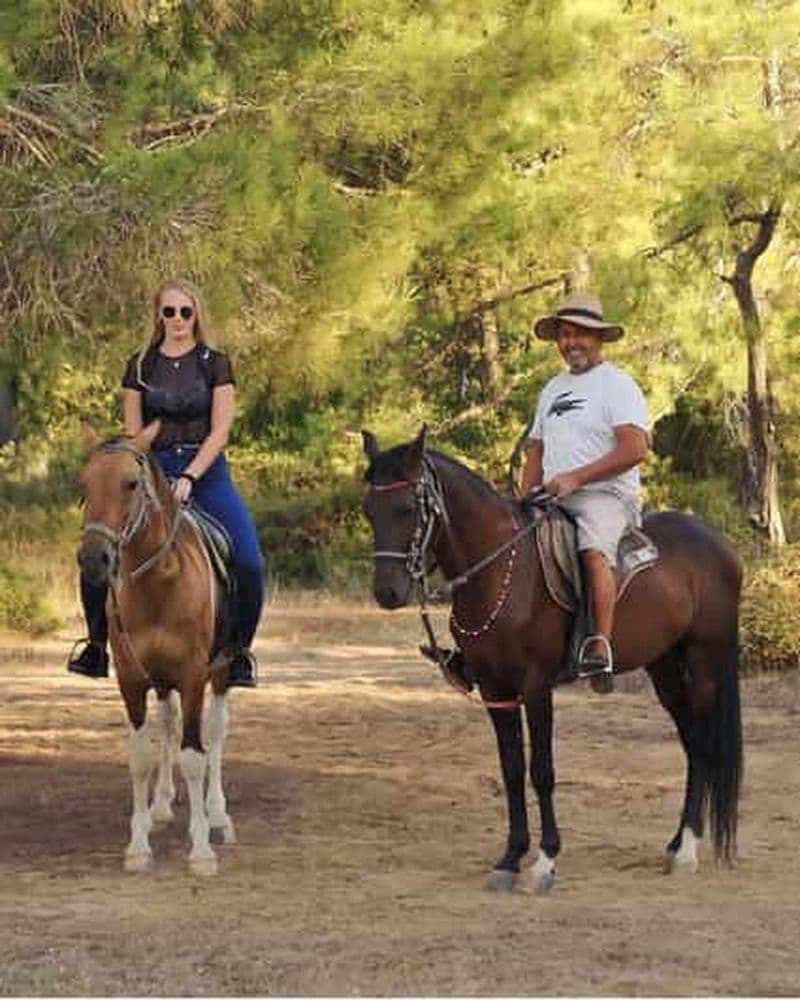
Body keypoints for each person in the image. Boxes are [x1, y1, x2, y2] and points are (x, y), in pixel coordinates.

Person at [424, 290, 649, 696]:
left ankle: (599, 642)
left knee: (592, 549)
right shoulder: (552, 389)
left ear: (598, 338)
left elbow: (635, 449)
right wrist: (522, 498)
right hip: (551, 496)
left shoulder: (617, 385)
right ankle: (473, 651)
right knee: (493, 547)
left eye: (580, 334)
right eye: (564, 334)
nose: (571, 342)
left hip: (605, 496)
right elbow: (536, 450)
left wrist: (578, 478)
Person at [68, 279, 265, 688]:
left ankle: (239, 650)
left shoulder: (216, 363)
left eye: (185, 311)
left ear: (197, 315)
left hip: (207, 474)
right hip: (149, 472)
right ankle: (96, 645)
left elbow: (221, 429)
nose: (177, 320)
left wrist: (191, 474)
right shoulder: (139, 365)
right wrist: (148, 475)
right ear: (158, 315)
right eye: (168, 311)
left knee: (249, 560)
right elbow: (134, 432)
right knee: (97, 547)